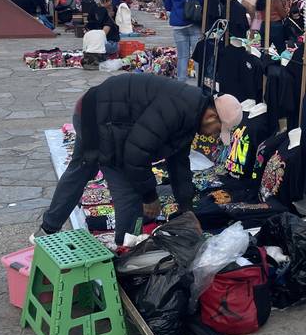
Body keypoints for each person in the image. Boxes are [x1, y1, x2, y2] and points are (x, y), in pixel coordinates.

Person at [35, 75, 233, 245]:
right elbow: (136, 154)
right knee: (130, 196)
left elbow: (178, 165)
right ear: (210, 116)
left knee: (81, 169)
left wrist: (187, 210)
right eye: (218, 130)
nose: (215, 136)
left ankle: (47, 229)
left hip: (99, 111)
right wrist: (150, 197)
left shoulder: (191, 113)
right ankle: (126, 251)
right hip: (98, 116)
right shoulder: (178, 109)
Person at [164, 0, 205, 82]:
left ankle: (181, 84)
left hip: (178, 25)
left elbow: (167, 4)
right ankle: (200, 85)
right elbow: (204, 0)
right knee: (197, 56)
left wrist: (175, 10)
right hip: (194, 23)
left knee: (182, 56)